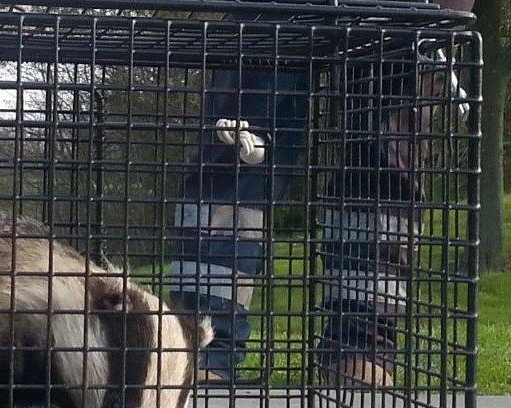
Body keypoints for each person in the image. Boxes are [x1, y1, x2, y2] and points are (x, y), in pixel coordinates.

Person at [172, 0, 475, 385]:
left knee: (388, 164)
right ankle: (203, 344)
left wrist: (444, 19)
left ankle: (361, 343)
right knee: (237, 147)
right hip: (267, 16)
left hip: (401, 15)